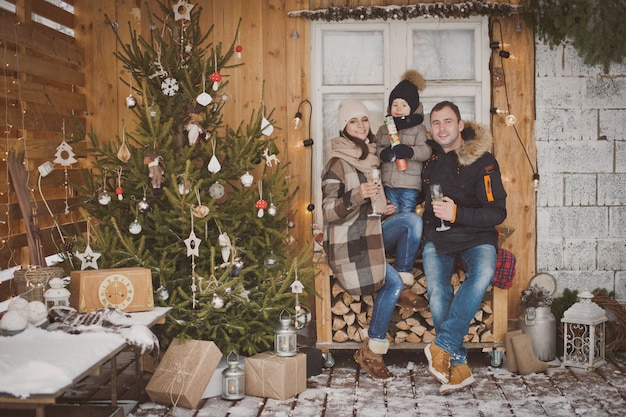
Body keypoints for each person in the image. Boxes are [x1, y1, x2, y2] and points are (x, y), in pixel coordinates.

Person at [322, 99, 423, 380]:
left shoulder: (372, 157)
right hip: (350, 240)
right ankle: (371, 351)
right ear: (344, 126)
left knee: (411, 221)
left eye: (364, 120)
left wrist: (382, 207)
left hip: (372, 229)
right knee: (388, 284)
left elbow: (371, 204)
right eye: (353, 121)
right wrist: (357, 195)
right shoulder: (337, 163)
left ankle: (404, 281)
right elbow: (328, 211)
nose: (360, 125)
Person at [421, 101, 507, 395]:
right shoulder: (429, 162)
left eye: (448, 121)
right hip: (440, 236)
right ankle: (457, 364)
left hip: (477, 235)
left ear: (460, 125)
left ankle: (442, 345)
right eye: (436, 123)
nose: (442, 128)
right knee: (437, 288)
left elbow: (497, 212)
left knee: (483, 272)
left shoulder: (483, 161)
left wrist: (458, 214)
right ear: (431, 128)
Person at [374, 70, 432, 213]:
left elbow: (426, 151)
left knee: (407, 214)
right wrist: (383, 153)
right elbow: (375, 147)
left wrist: (410, 151)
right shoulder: (384, 129)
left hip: (410, 185)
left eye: (404, 105)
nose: (399, 109)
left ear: (412, 108)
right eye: (395, 105)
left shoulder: (419, 129)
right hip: (388, 183)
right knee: (391, 213)